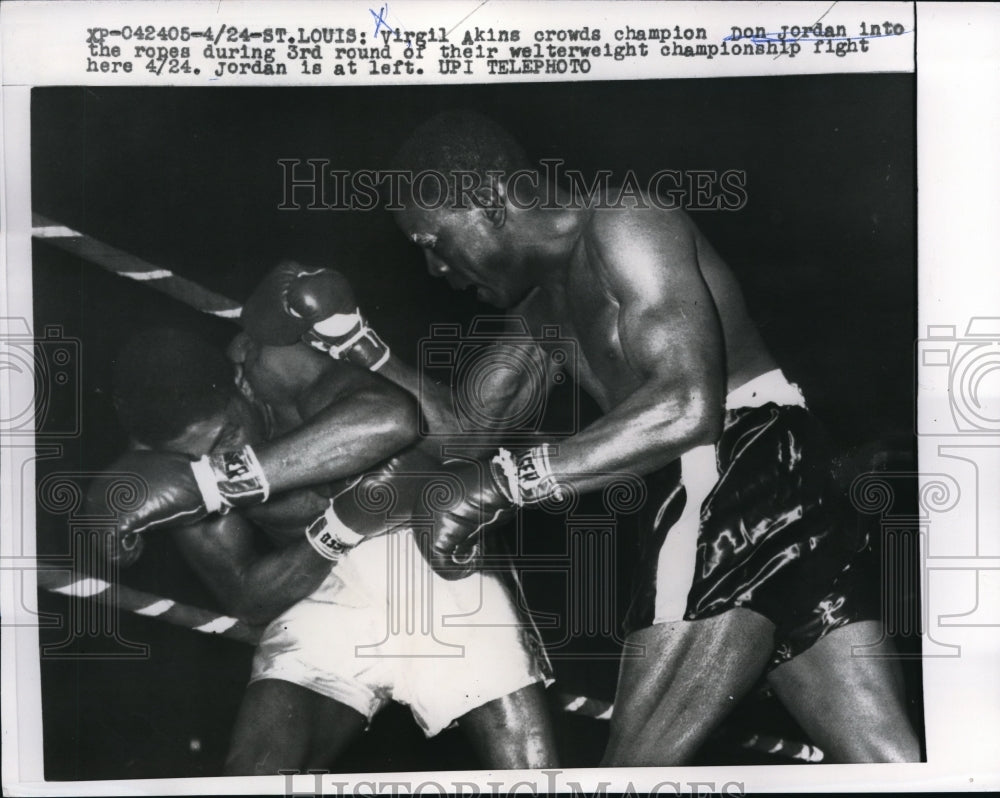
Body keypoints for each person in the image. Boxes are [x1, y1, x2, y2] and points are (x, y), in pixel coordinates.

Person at [245, 111, 921, 765]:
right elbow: (465, 437)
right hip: (770, 480)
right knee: (884, 761)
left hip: (728, 463)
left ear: (486, 199)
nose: (436, 269)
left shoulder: (625, 222)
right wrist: (360, 345)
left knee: (634, 765)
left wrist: (506, 484)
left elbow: (688, 406)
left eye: (431, 239)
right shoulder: (541, 308)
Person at [87, 326, 556, 774]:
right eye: (194, 461)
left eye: (225, 439)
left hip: (427, 550)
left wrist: (212, 484)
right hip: (320, 578)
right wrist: (340, 525)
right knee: (257, 772)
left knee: (526, 774)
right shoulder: (167, 468)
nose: (209, 462)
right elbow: (246, 596)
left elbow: (392, 417)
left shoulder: (275, 366)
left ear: (239, 384)